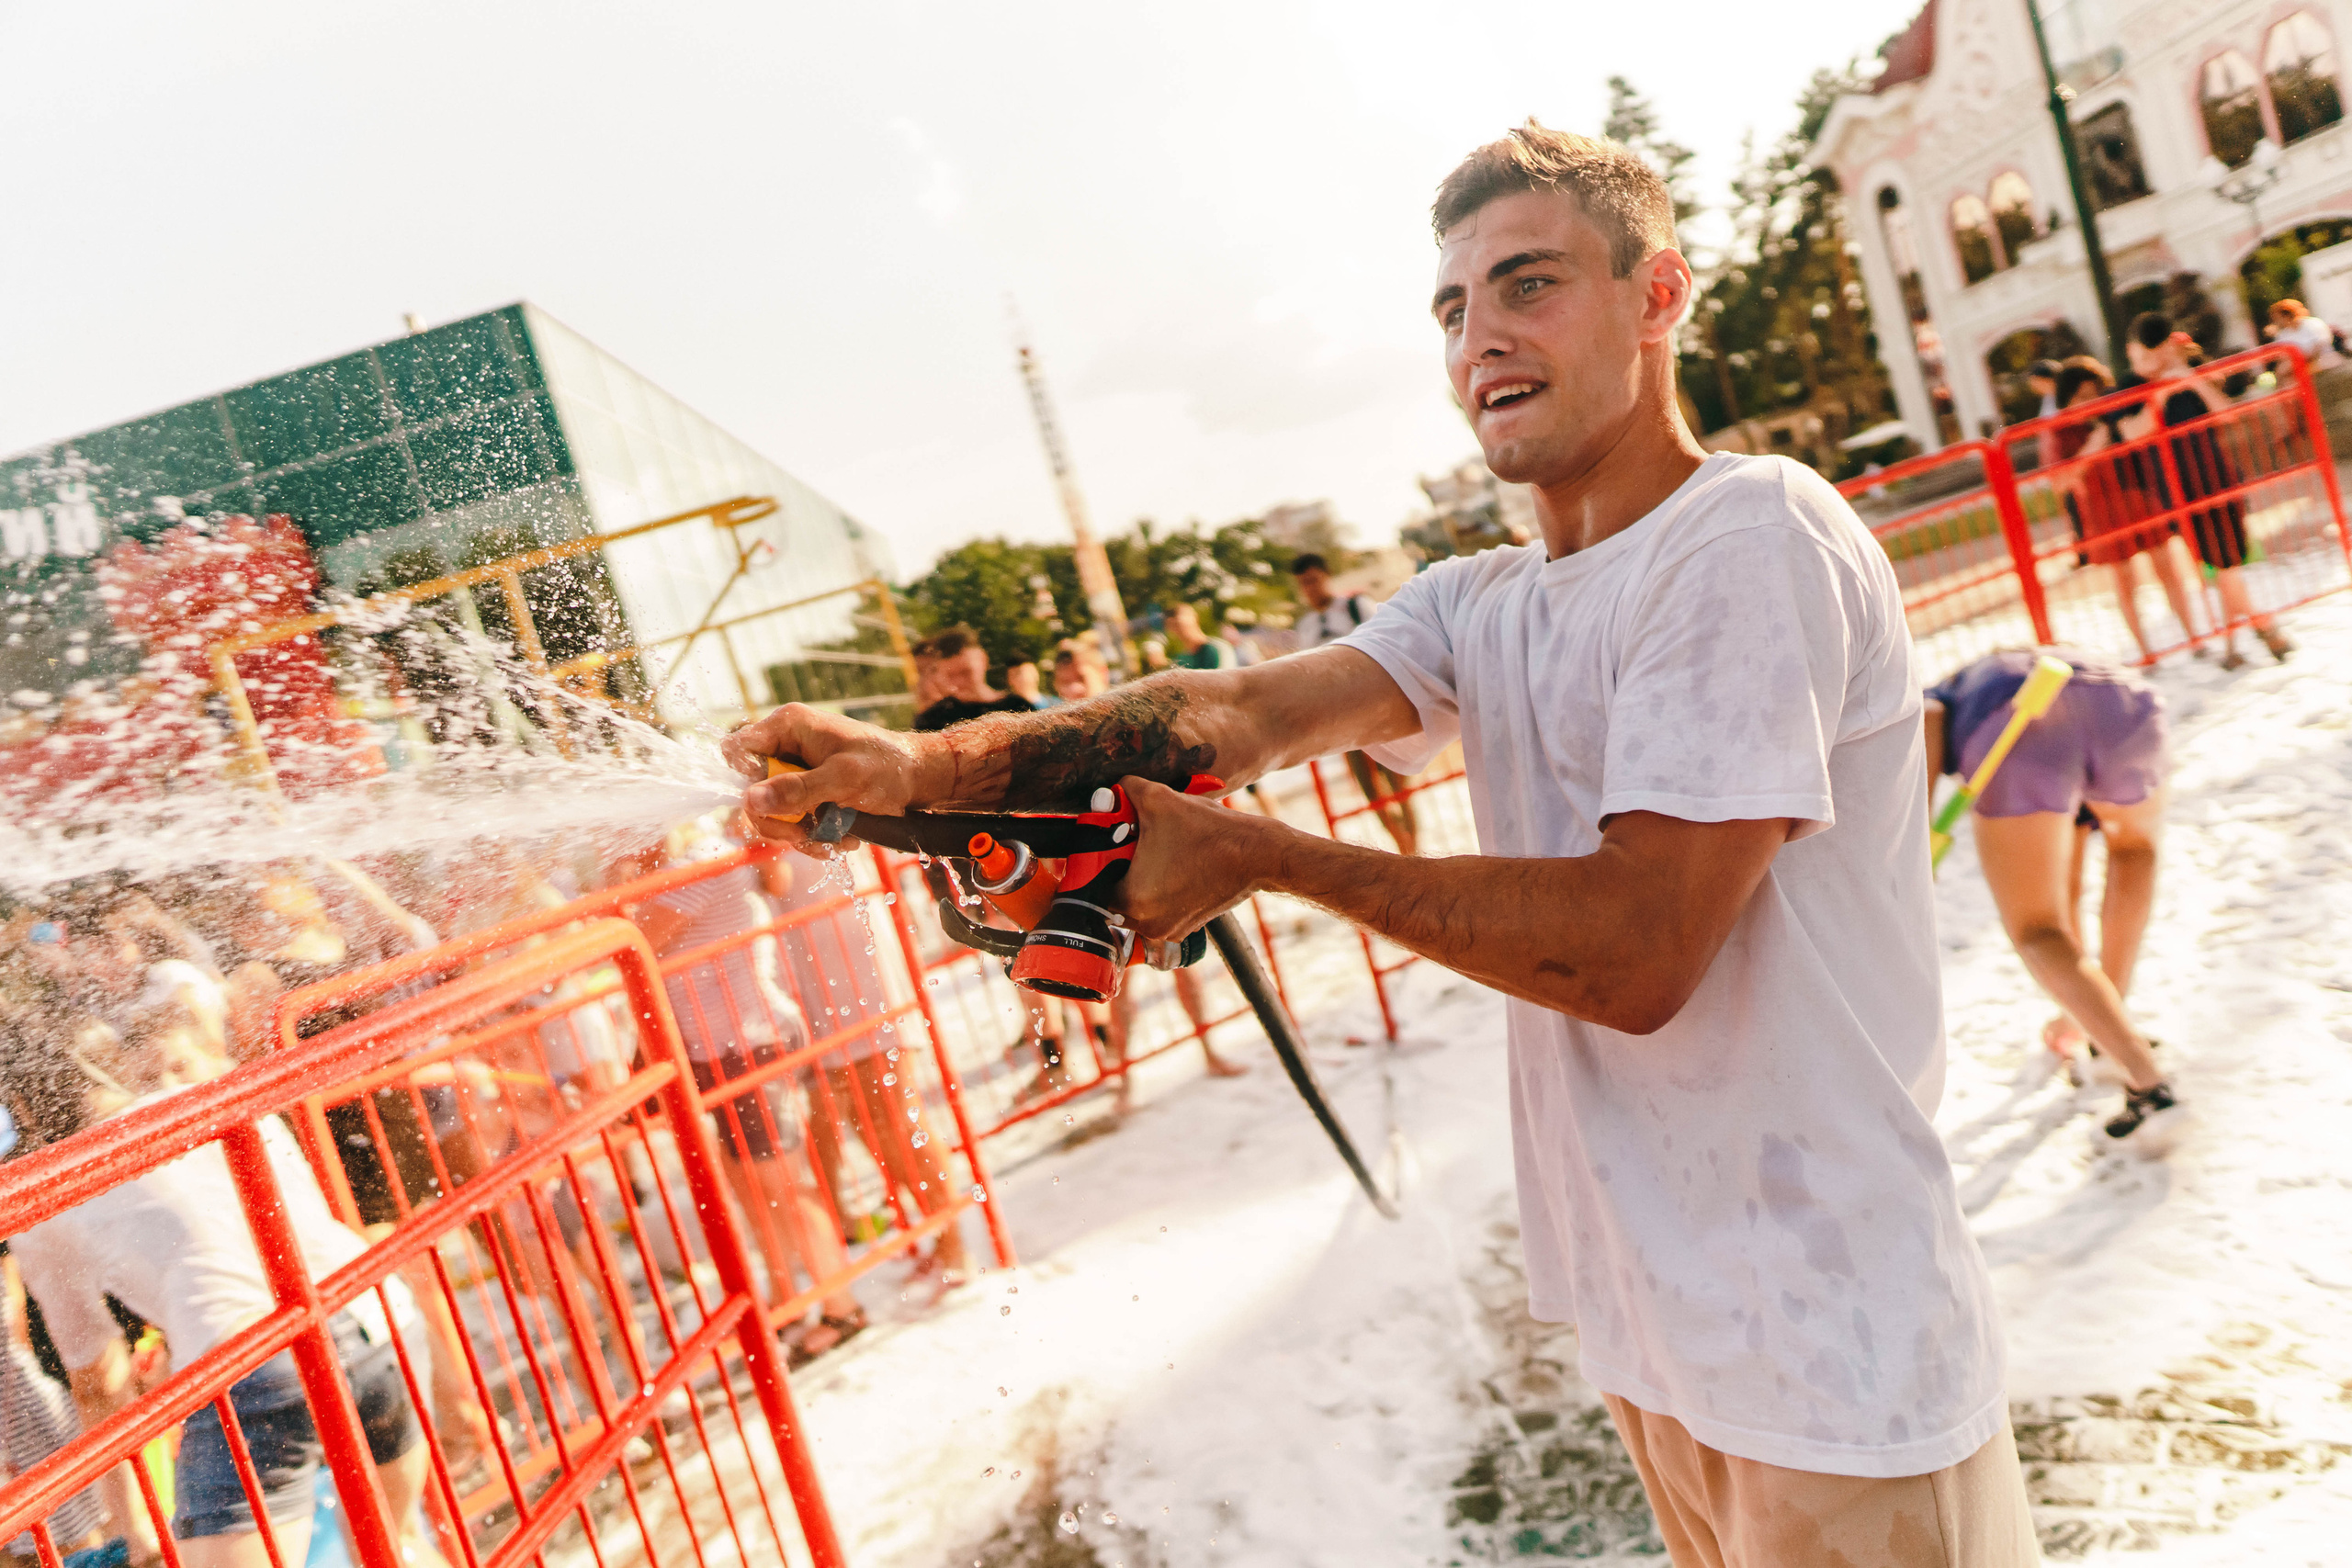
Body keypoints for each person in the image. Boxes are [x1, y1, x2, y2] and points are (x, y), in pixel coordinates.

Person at [736, 120, 2036, 1563]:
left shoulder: (1745, 532)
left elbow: (1639, 946)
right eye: (1452, 308)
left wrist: (1270, 860)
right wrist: (923, 768)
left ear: (1657, 295)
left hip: (1833, 1346)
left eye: (1529, 283)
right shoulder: (1485, 598)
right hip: (1663, 1330)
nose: (1481, 335)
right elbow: (1225, 709)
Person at [4, 1030, 446, 1568]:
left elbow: (98, 1383)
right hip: (377, 1312)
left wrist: (137, 1528)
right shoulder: (208, 1094)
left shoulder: (45, 1193)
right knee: (393, 1543)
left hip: (256, 1357)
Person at [1922, 650, 2183, 1148]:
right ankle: (2106, 1034)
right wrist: (2072, 1016)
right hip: (2126, 706)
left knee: (2038, 928)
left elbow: (1931, 718)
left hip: (2021, 734)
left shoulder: (1943, 693)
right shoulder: (2012, 659)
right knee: (2133, 851)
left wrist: (1914, 838)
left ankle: (2150, 1089)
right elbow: (2069, 877)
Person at [627, 831, 866, 1360]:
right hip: (712, 1048)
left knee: (782, 1179)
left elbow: (633, 940)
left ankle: (842, 1306)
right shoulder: (677, 866)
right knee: (751, 1187)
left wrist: (621, 882)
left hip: (747, 1040)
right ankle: (789, 1304)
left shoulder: (699, 857)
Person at [2118, 312, 2291, 669]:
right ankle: (2266, 626)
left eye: (2161, 347)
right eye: (2147, 350)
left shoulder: (2190, 373)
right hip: (2178, 489)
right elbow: (2134, 434)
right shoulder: (2128, 387)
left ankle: (2231, 647)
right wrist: (2163, 393)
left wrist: (2192, 382)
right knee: (2221, 563)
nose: (2155, 357)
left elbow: (2225, 415)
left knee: (2228, 564)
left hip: (2217, 475)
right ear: (2133, 351)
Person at [2052, 356, 2205, 661]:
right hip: (2102, 508)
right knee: (2125, 583)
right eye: (2082, 396)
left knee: (2168, 569)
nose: (2091, 401)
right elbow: (2060, 481)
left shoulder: (2115, 411)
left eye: (2094, 392)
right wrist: (2092, 447)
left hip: (2138, 495)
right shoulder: (2061, 431)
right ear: (2067, 400)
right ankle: (2146, 652)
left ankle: (2194, 638)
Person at [1288, 555, 1420, 855]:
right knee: (1371, 792)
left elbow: (1389, 642)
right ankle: (1404, 849)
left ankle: (1415, 849)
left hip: (1379, 710)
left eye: (1313, 579)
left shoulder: (1355, 606)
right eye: (1303, 583)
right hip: (1341, 721)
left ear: (1326, 576)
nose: (1310, 588)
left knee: (1399, 786)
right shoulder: (1306, 625)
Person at [909, 626, 1035, 732]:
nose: (959, 682)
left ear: (983, 660)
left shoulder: (1018, 707)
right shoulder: (932, 721)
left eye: (966, 672)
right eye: (950, 676)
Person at [2265, 298, 2340, 368]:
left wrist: (2303, 360)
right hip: (2300, 365)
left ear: (2287, 316)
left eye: (2277, 318)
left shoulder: (2313, 324)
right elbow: (2282, 355)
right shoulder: (2283, 334)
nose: (2276, 322)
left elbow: (2321, 344)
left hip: (2323, 359)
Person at [1163, 604, 1234, 671]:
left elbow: (1224, 678)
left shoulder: (1218, 647)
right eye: (1173, 625)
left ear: (1195, 618)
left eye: (1178, 624)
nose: (1178, 629)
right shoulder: (1181, 659)